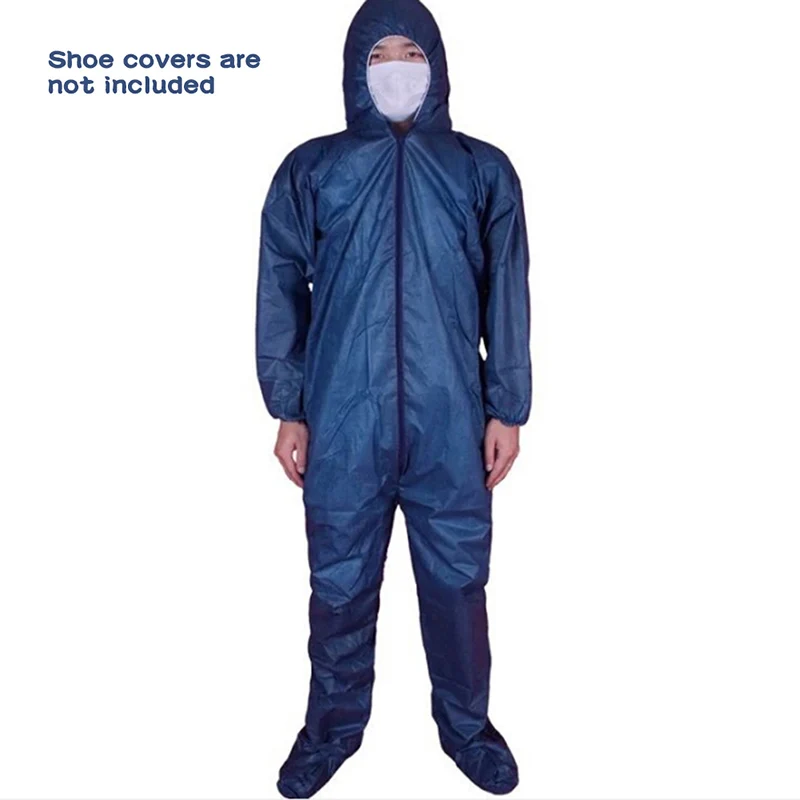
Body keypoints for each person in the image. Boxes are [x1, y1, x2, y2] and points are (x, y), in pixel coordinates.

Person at [255, 0, 531, 796]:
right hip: (343, 417)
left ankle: (467, 731)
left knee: (458, 587)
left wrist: (507, 407)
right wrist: (289, 406)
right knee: (338, 587)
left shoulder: (482, 170)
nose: (396, 68)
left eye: (411, 51)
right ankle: (331, 733)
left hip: (451, 418)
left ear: (437, 64)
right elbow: (281, 288)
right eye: (379, 55)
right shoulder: (313, 170)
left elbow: (507, 292)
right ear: (355, 69)